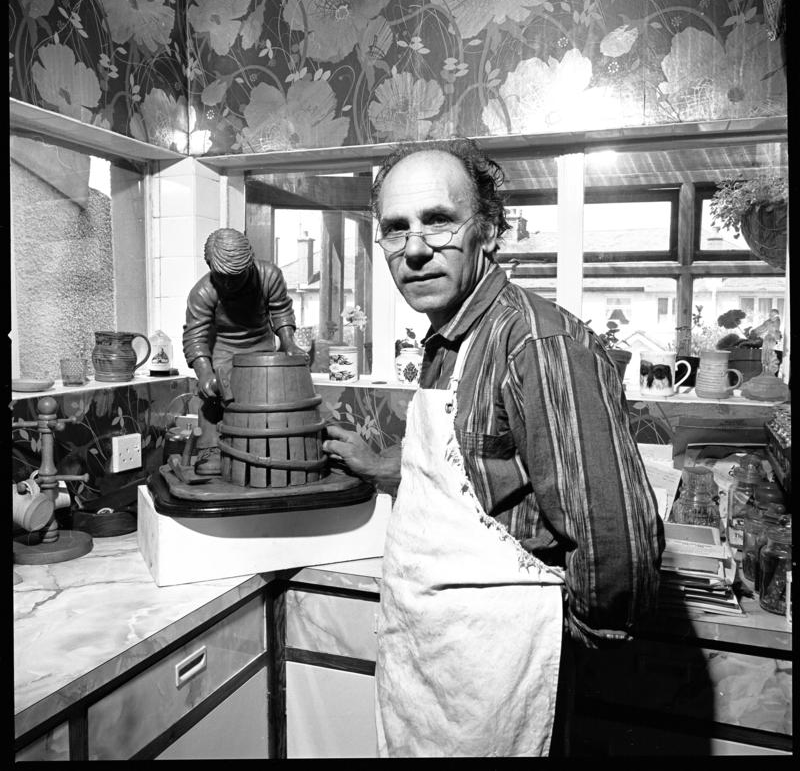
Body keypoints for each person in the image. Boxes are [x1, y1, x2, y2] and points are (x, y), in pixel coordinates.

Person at [323, 139, 665, 757]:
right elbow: (479, 473)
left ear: (487, 232)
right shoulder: (447, 339)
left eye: (438, 221)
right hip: (432, 663)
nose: (416, 248)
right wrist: (384, 468)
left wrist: (553, 644)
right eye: (395, 230)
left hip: (501, 670)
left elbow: (618, 549)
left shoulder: (537, 341)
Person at [183, 227, 308, 475]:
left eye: (237, 276)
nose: (230, 283)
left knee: (270, 397)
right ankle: (211, 449)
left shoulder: (269, 275)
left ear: (250, 262)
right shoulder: (203, 292)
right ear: (210, 267)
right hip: (223, 351)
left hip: (261, 347)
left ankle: (270, 446)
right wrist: (205, 374)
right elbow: (195, 337)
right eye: (223, 276)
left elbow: (281, 310)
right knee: (212, 399)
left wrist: (288, 342)